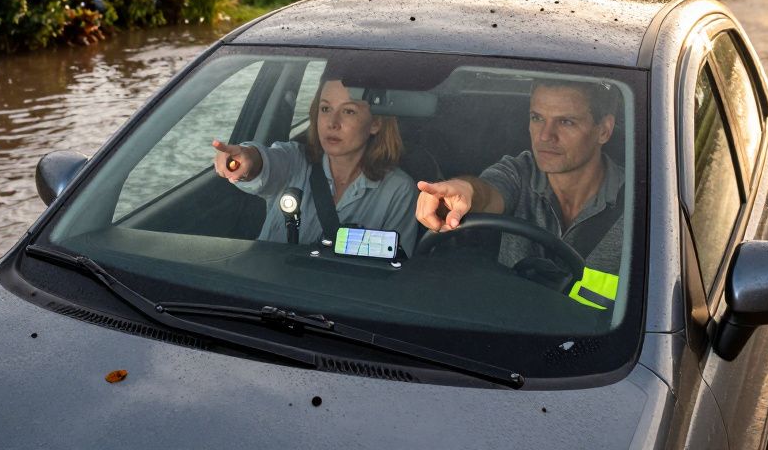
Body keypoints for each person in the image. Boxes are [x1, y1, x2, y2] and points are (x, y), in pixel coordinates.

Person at [415, 79, 624, 310]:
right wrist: (463, 191)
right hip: (512, 329)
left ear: (604, 130)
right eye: (537, 118)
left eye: (566, 122)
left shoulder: (641, 203)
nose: (545, 136)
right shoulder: (519, 172)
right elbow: (486, 192)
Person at [212, 77, 419, 256]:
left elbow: (394, 272)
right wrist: (248, 159)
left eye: (348, 111)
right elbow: (266, 163)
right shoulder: (295, 160)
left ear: (376, 123)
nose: (332, 123)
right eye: (326, 109)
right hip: (262, 293)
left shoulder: (398, 191)